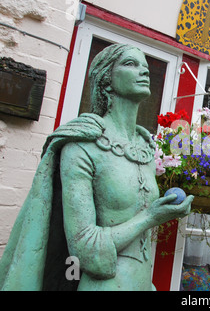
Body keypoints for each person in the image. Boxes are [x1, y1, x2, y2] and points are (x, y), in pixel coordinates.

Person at [0, 44, 192, 291]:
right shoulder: (82, 146)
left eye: (145, 65)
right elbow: (85, 249)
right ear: (106, 79)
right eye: (130, 64)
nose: (143, 71)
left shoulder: (144, 145)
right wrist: (151, 217)